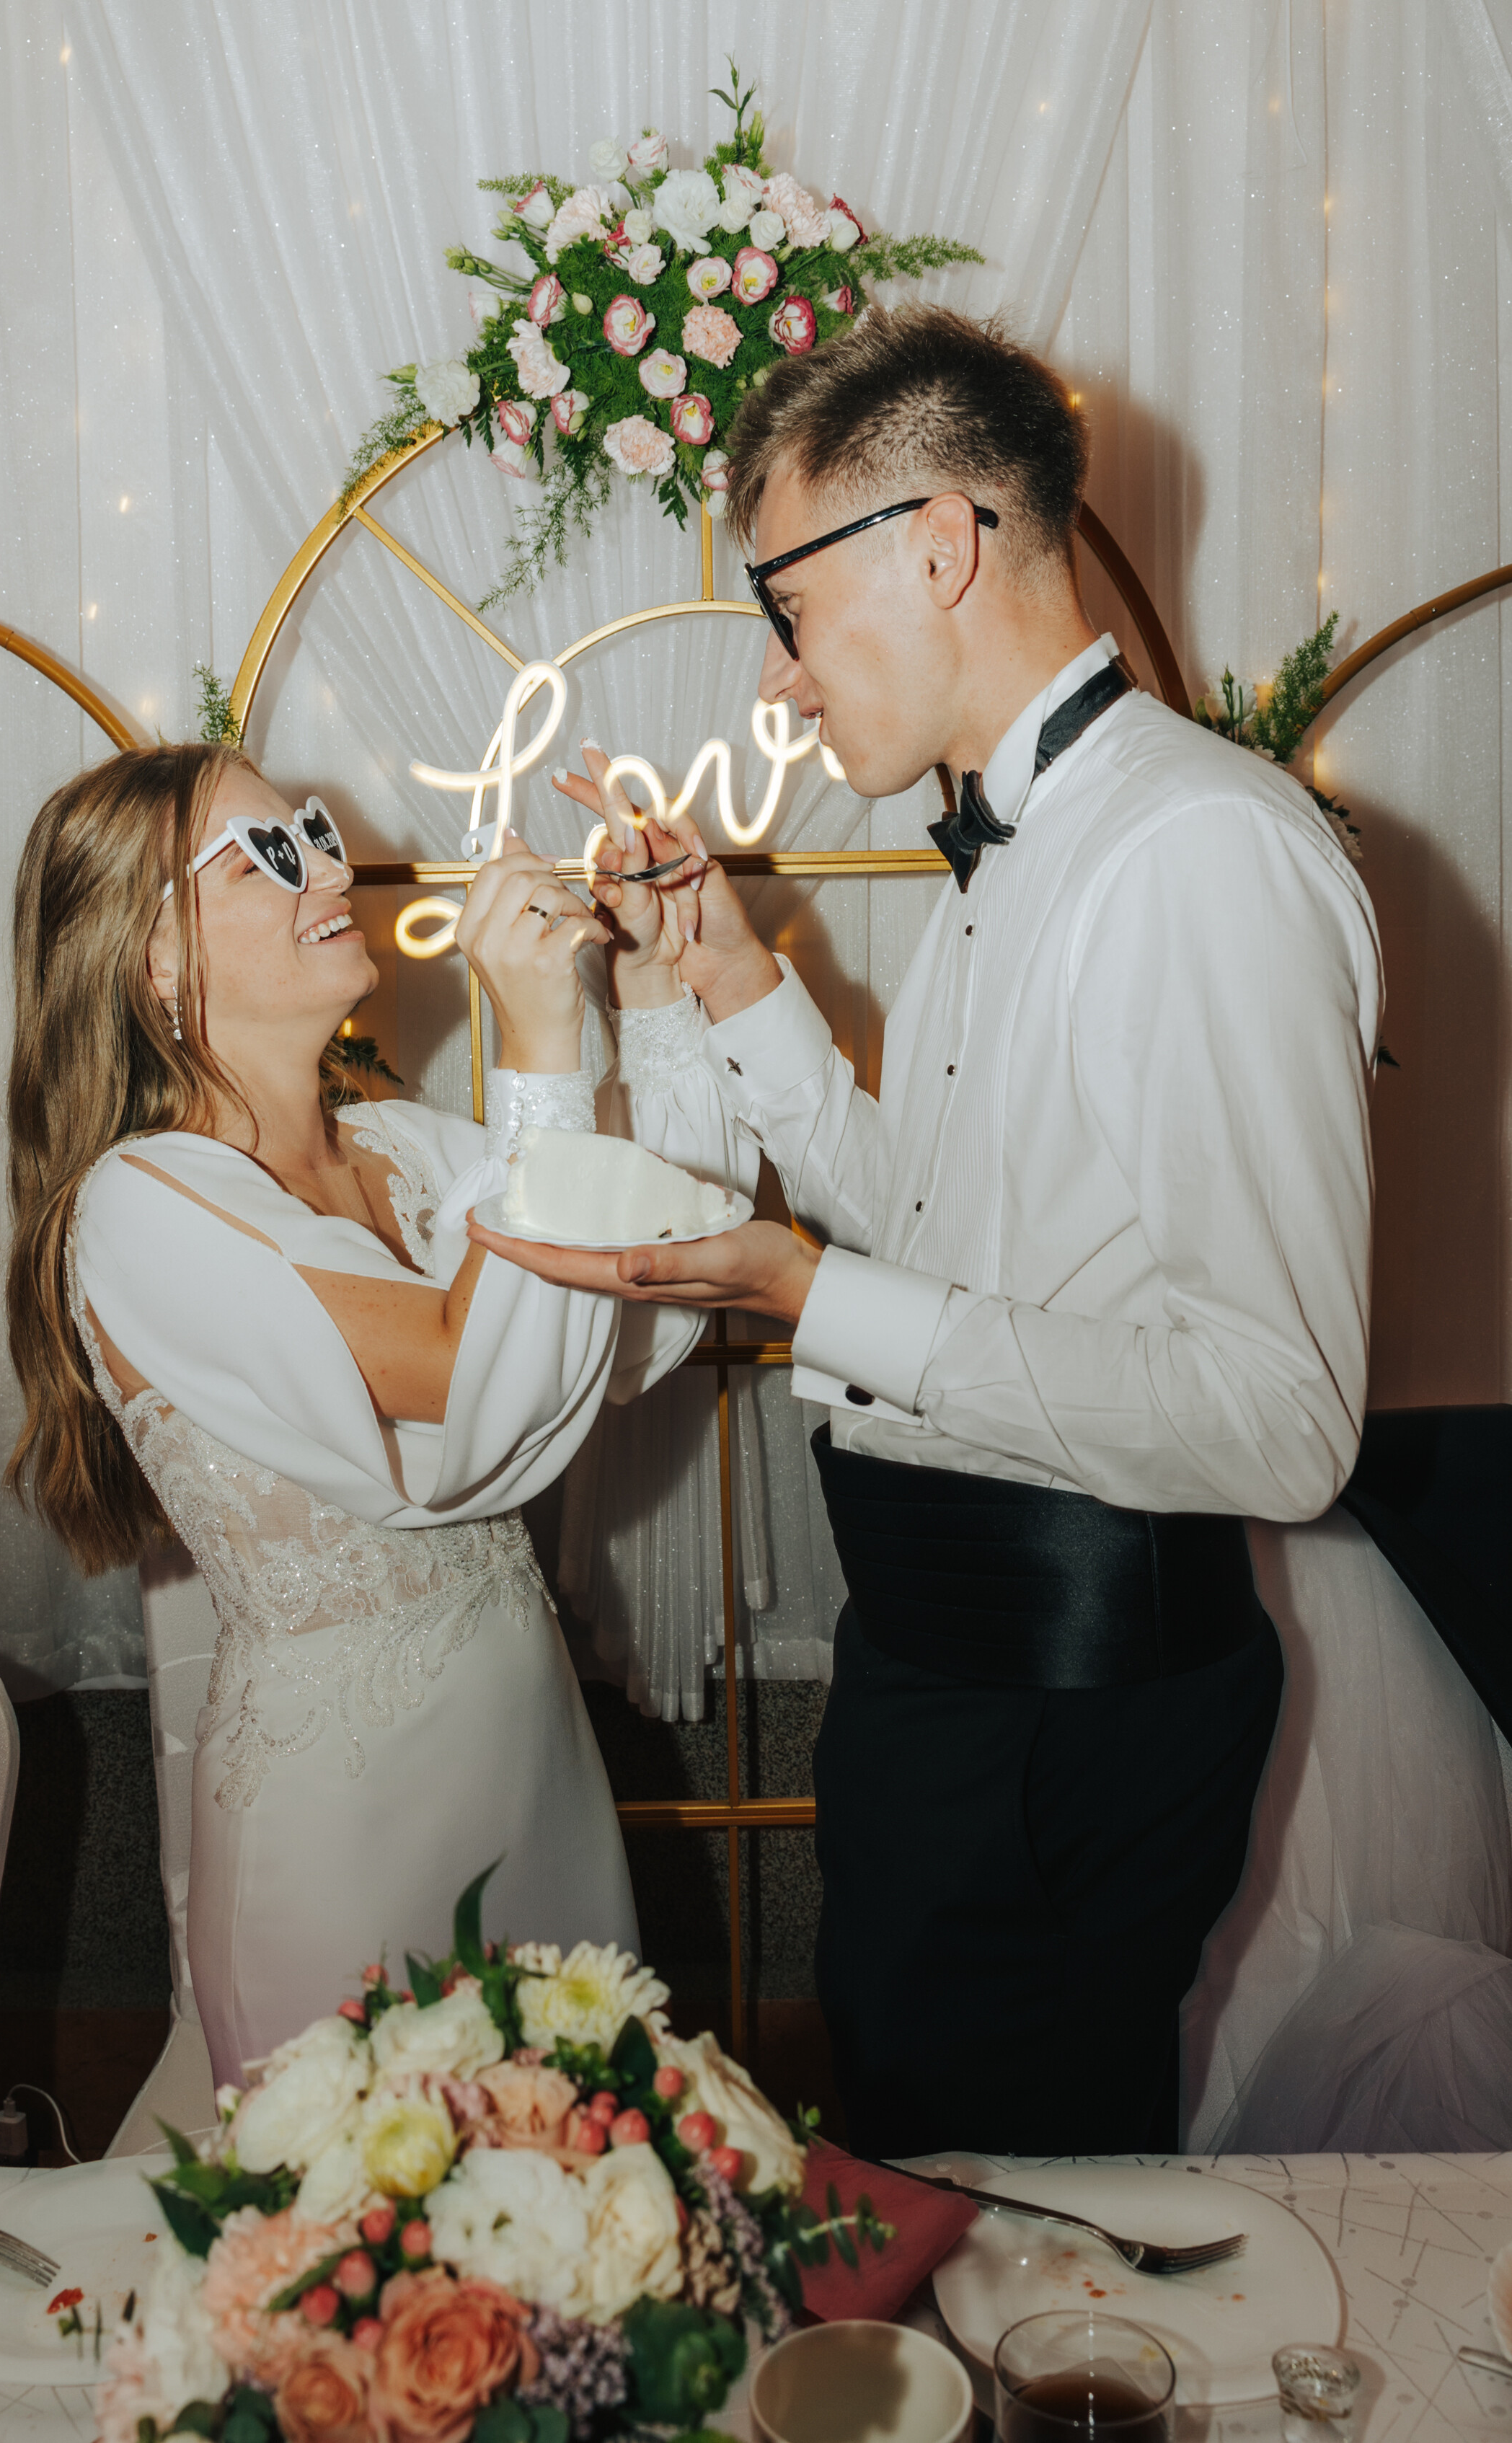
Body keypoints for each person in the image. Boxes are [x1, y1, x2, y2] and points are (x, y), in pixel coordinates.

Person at [479, 304, 1384, 2158]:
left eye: (791, 608)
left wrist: (808, 1294)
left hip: (1069, 1712)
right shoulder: (1011, 843)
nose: (781, 684)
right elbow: (935, 1228)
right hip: (946, 1682)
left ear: (944, 545)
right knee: (914, 2176)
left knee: (1020, 2239)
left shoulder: (1198, 852)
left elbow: (1284, 1418)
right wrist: (736, 976)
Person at [5, 741, 748, 2085]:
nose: (328, 867)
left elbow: (668, 1282)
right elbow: (468, 1385)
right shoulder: (140, 1204)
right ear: (154, 958)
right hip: (346, 1823)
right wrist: (538, 1047)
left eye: (311, 829)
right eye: (267, 854)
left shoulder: (402, 1148)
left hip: (533, 1764)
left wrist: (648, 990)